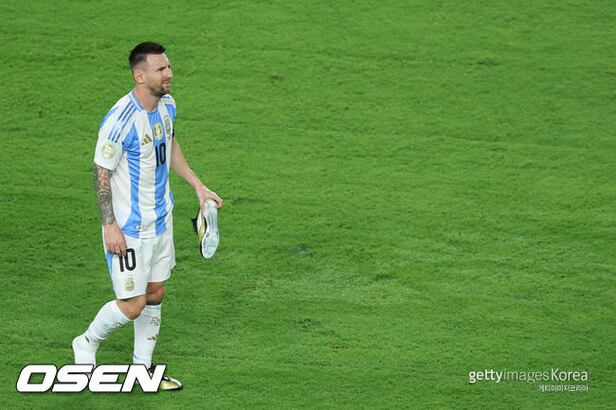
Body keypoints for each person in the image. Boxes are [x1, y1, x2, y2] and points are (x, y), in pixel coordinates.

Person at [72, 41, 222, 391]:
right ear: (140, 76)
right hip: (129, 229)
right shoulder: (119, 120)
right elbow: (101, 173)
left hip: (161, 221)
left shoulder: (167, 105)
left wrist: (198, 186)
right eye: (161, 69)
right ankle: (87, 342)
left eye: (168, 67)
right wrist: (110, 226)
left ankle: (143, 369)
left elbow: (169, 144)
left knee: (155, 292)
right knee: (133, 304)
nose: (169, 74)